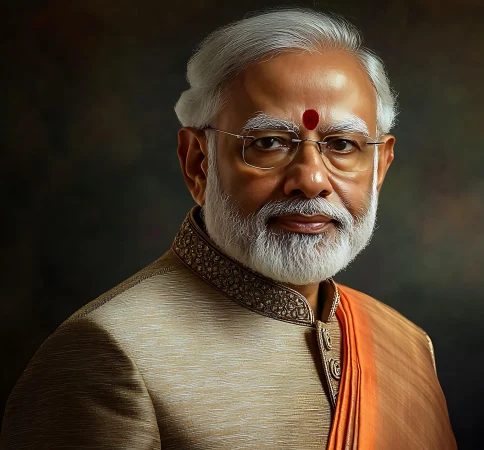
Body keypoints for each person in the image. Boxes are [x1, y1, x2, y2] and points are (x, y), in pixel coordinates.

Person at [1, 8, 457, 449]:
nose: (312, 180)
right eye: (269, 143)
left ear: (379, 167)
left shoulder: (406, 346)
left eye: (342, 145)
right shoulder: (108, 355)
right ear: (198, 162)